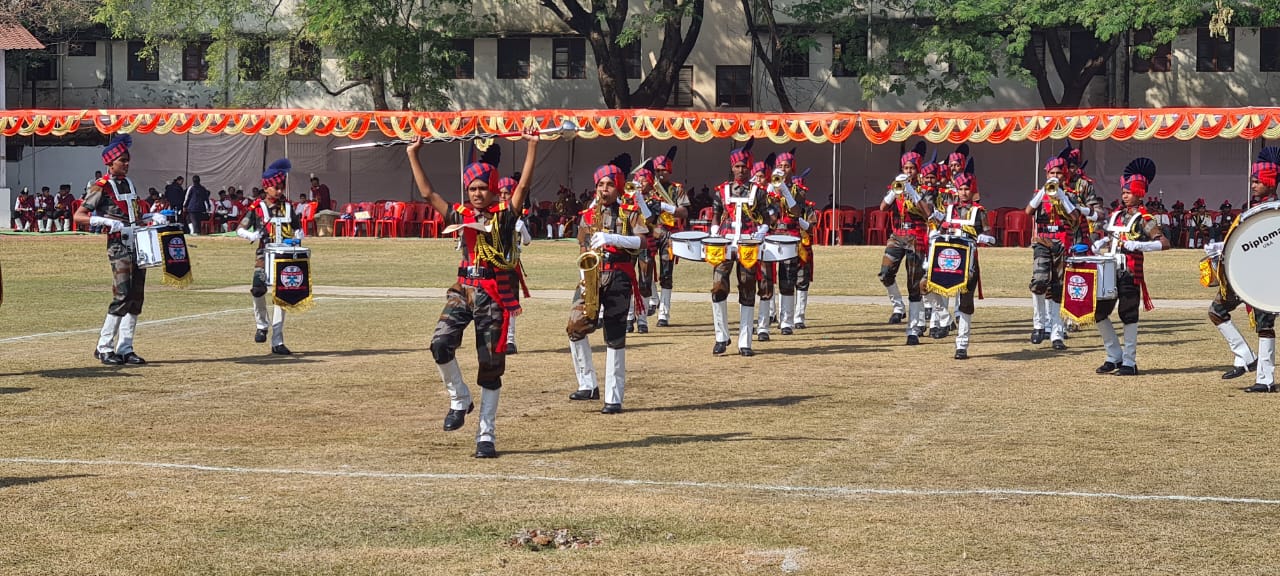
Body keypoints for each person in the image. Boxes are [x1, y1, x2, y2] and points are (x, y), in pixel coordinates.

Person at [408, 130, 539, 459]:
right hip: (463, 289)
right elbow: (427, 193)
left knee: (491, 367)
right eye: (472, 189)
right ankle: (459, 398)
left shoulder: (505, 216)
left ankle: (486, 435)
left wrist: (532, 146)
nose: (477, 193)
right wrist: (413, 154)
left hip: (494, 294)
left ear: (493, 188)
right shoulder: (460, 216)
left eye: (482, 188)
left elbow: (522, 187)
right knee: (440, 343)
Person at [73, 134, 170, 365]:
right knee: (122, 293)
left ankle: (126, 346)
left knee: (136, 296)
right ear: (110, 163)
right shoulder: (101, 187)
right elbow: (80, 215)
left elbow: (133, 214)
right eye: (122, 160)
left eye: (127, 160)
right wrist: (104, 222)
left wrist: (150, 216)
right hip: (119, 245)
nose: (126, 164)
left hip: (138, 242)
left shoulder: (129, 183)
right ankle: (104, 346)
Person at [567, 155, 649, 414]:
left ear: (619, 187)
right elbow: (582, 244)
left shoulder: (630, 213)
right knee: (574, 326)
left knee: (614, 337)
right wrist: (584, 271)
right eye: (601, 184)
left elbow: (642, 242)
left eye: (609, 185)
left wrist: (613, 238)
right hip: (591, 276)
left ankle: (614, 397)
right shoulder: (588, 215)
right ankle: (587, 384)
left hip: (619, 277)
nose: (604, 189)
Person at [1203, 147, 1280, 391]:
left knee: (1264, 326)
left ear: (1270, 183)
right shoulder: (1251, 210)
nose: (1253, 186)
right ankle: (1246, 356)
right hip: (1242, 275)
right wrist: (1220, 249)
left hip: (1266, 277)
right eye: (1252, 181)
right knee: (1216, 311)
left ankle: (1265, 379)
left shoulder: (1274, 210)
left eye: (1258, 182)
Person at [1089, 158, 1168, 376]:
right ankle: (1113, 355)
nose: (1125, 195)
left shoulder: (1146, 219)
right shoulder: (1116, 214)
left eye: (1129, 191)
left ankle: (1130, 361)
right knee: (1099, 312)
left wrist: (1137, 244)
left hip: (1130, 272)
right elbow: (1112, 236)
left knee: (1128, 314)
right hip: (1109, 269)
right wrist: (1102, 243)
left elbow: (1164, 243)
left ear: (1140, 193)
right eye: (1123, 191)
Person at [1024, 150, 1092, 351]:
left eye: (1059, 173)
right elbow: (1027, 212)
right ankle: (1038, 324)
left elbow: (1075, 219)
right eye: (1052, 173)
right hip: (1042, 241)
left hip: (1063, 243)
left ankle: (1056, 333)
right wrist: (1042, 194)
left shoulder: (1071, 195)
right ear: (1046, 175)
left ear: (1065, 175)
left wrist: (1062, 196)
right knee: (1039, 282)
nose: (1055, 176)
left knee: (1057, 288)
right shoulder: (1040, 193)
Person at [236, 160, 304, 356]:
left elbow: (298, 228)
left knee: (281, 296)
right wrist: (250, 235)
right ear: (267, 187)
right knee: (258, 290)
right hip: (263, 255)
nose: (280, 191)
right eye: (276, 187)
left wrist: (298, 238)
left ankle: (278, 340)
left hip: (285, 255)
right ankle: (261, 325)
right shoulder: (257, 208)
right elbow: (240, 228)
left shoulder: (289, 208)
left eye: (282, 188)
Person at [709, 139, 770, 356]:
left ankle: (745, 342)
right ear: (731, 167)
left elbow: (766, 217)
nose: (741, 170)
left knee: (747, 288)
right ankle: (721, 336)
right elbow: (716, 213)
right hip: (724, 243)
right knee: (718, 288)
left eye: (744, 166)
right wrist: (714, 229)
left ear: (750, 167)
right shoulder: (722, 190)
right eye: (737, 166)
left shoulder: (759, 192)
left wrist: (762, 231)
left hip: (748, 243)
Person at [936, 162, 995, 359]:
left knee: (965, 302)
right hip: (946, 258)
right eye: (960, 189)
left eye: (966, 189)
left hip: (968, 260)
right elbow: (941, 230)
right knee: (926, 286)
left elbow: (990, 236)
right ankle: (944, 319)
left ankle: (961, 344)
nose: (963, 192)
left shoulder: (980, 211)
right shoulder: (950, 209)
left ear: (972, 190)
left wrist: (984, 238)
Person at [878, 141, 935, 343]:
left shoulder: (926, 189)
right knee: (885, 273)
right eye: (906, 168)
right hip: (897, 235)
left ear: (918, 170)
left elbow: (928, 213)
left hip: (916, 236)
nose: (908, 171)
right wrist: (895, 191)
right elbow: (883, 207)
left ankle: (914, 328)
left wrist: (913, 192)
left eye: (912, 168)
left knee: (914, 283)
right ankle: (898, 307)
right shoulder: (897, 186)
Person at [769, 149, 809, 335]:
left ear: (792, 169)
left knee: (787, 277)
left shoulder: (798, 190)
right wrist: (770, 190)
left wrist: (784, 190)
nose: (782, 170)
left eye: (786, 166)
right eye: (779, 166)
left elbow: (797, 211)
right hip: (771, 235)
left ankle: (787, 321)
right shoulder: (767, 189)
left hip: (791, 235)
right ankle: (769, 315)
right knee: (768, 277)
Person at [650, 146, 690, 327]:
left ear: (669, 170)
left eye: (663, 170)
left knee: (667, 272)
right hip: (650, 231)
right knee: (645, 268)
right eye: (657, 170)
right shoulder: (648, 188)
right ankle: (652, 298)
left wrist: (668, 207)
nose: (659, 173)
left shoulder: (677, 189)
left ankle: (664, 313)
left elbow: (684, 212)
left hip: (668, 233)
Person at [497, 177, 533, 353]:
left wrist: (520, 229)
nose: (503, 197)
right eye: (501, 193)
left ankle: (510, 340)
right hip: (493, 265)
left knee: (510, 303)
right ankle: (498, 338)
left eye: (506, 194)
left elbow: (527, 241)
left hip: (510, 266)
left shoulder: (518, 221)